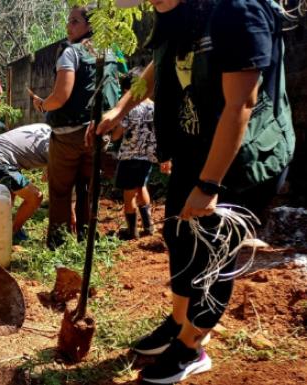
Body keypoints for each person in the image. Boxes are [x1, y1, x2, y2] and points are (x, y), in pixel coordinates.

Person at [96, 0, 295, 383]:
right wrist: (120, 109)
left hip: (242, 155)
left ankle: (191, 347)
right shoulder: (181, 13)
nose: (150, 3)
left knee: (212, 253)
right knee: (176, 233)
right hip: (197, 144)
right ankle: (178, 321)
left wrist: (208, 185)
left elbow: (242, 103)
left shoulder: (239, 10)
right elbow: (159, 64)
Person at [29, 5, 121, 249]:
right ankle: (86, 238)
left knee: (60, 191)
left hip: (69, 134)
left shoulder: (71, 53)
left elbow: (60, 97)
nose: (68, 26)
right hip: (98, 132)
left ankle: (58, 244)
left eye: (74, 21)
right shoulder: (110, 52)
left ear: (89, 26)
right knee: (87, 189)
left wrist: (42, 105)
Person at [109, 67, 162, 240]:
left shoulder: (129, 108)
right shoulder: (153, 106)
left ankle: (132, 231)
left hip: (129, 156)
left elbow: (117, 134)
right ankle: (149, 226)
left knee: (129, 192)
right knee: (142, 187)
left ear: (127, 90)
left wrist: (111, 132)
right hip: (147, 156)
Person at [0, 123, 50, 243]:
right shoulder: (56, 145)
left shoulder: (45, 129)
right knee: (35, 197)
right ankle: (10, 234)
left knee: (6, 198)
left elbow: (46, 176)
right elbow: (52, 181)